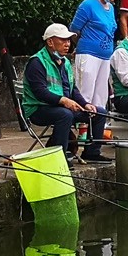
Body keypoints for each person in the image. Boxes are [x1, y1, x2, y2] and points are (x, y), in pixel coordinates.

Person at [22, 23, 101, 163]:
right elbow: (40, 92)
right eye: (63, 40)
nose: (67, 44)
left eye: (69, 40)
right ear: (50, 42)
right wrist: (64, 100)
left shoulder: (65, 62)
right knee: (64, 115)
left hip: (62, 106)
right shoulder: (37, 62)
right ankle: (59, 159)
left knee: (98, 112)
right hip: (38, 109)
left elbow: (72, 89)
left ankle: (92, 153)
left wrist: (85, 104)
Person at [70, 0, 119, 138]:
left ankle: (96, 133)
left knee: (101, 95)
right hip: (88, 55)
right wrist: (83, 46)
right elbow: (74, 30)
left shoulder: (110, 8)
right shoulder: (87, 5)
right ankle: (82, 130)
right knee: (85, 92)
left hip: (105, 57)